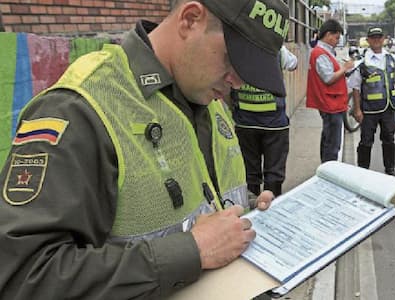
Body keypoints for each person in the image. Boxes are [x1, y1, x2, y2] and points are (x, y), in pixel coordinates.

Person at [0, 0, 287, 298]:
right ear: (190, 19)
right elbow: (23, 276)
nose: (238, 82)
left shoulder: (206, 98)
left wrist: (249, 212)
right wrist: (192, 250)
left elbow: (198, 195)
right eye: (233, 60)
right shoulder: (81, 110)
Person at [231, 45, 298, 197]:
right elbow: (293, 64)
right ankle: (271, 211)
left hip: (245, 123)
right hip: (274, 125)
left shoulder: (237, 48)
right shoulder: (278, 49)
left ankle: (250, 210)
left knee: (249, 173)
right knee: (274, 175)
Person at [349, 27, 395, 176]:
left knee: (389, 139)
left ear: (384, 39)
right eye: (373, 37)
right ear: (368, 40)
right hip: (369, 110)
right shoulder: (362, 61)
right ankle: (363, 172)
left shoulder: (391, 58)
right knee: (366, 141)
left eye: (379, 37)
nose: (376, 40)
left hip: (388, 108)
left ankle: (390, 170)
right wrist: (357, 109)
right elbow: (355, 88)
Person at [306, 19, 355, 162]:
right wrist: (344, 69)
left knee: (328, 138)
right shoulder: (320, 53)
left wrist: (343, 70)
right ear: (328, 35)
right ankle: (329, 171)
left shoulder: (325, 52)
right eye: (336, 37)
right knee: (332, 143)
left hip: (332, 101)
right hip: (330, 103)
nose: (337, 41)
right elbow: (328, 78)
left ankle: (326, 168)